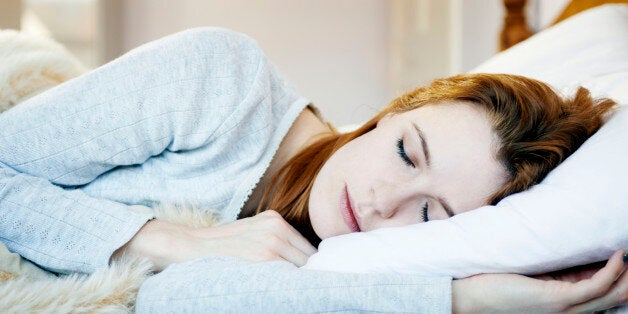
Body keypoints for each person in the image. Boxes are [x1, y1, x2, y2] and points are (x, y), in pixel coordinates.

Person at [0, 27, 624, 312]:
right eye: (408, 152)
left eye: (430, 215)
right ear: (395, 109)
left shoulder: (337, 267)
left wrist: (461, 299)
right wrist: (166, 238)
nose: (384, 203)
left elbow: (178, 299)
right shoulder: (220, 80)